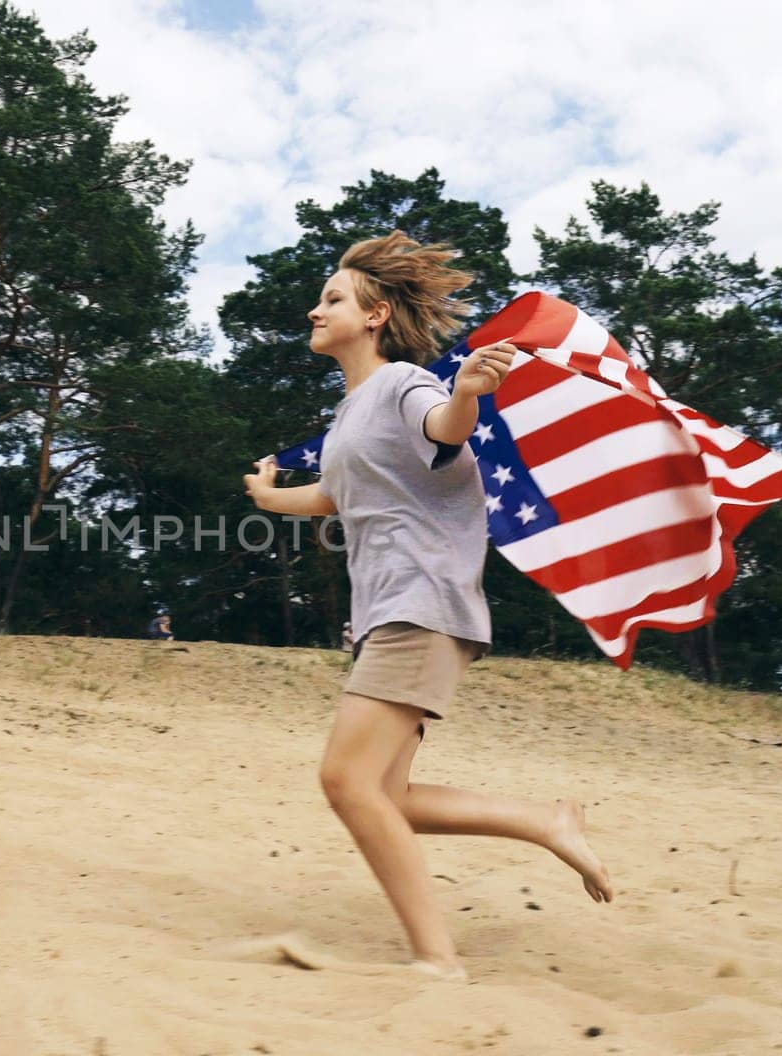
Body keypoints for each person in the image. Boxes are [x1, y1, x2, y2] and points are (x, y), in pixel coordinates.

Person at [241, 231, 613, 982]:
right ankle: (546, 820)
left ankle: (437, 960)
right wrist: (264, 496)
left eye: (333, 299)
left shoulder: (403, 384)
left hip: (422, 605)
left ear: (375, 315)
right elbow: (335, 495)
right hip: (392, 613)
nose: (316, 310)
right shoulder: (351, 412)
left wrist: (469, 392)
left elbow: (445, 431)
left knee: (345, 782)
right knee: (388, 796)